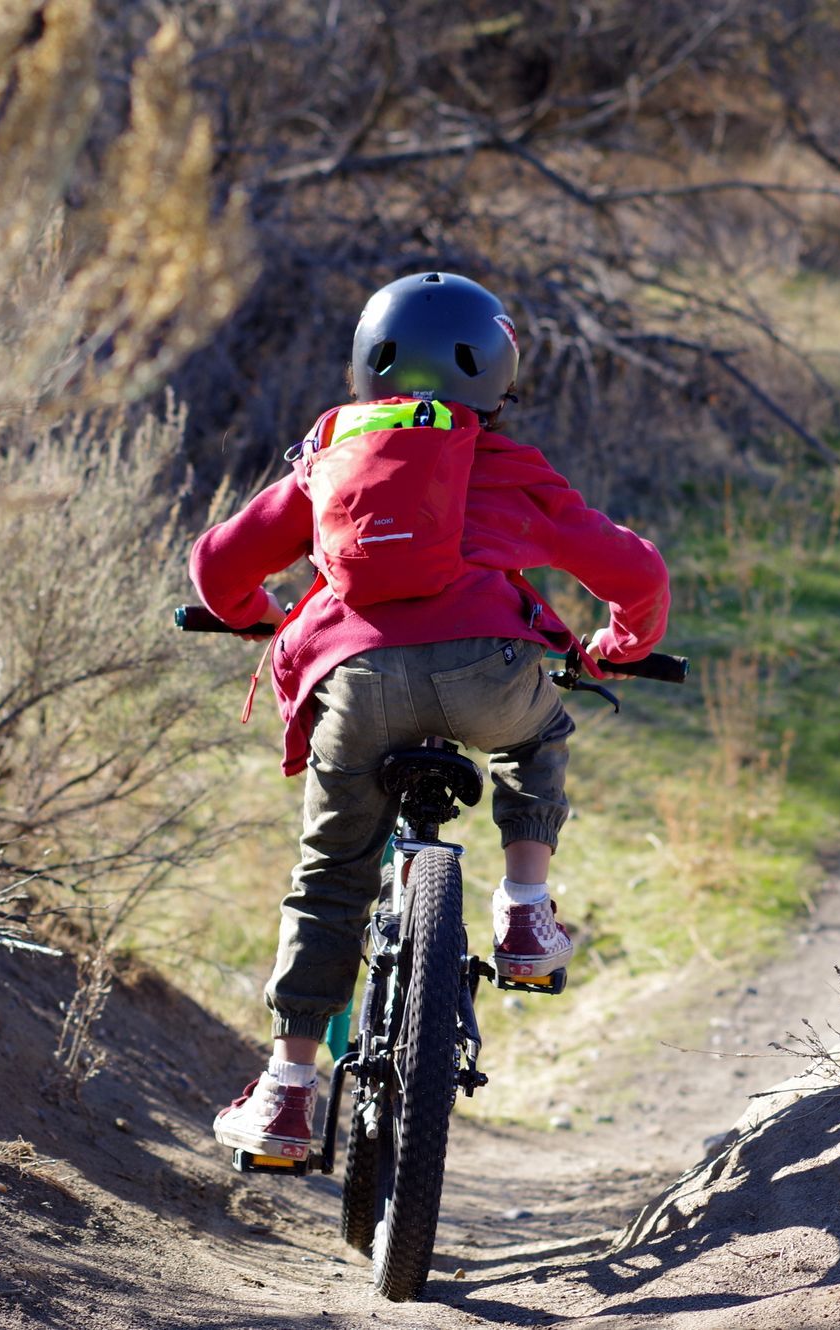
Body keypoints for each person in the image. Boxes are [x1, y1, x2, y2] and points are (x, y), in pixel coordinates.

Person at [189, 272, 671, 1162]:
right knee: (539, 734)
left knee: (332, 872)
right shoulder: (510, 467)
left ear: (368, 365)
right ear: (495, 373)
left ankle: (290, 1092)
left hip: (355, 682)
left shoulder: (333, 454)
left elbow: (217, 563)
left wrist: (256, 615)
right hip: (486, 671)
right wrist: (620, 647)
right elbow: (634, 573)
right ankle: (526, 910)